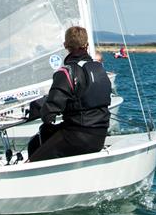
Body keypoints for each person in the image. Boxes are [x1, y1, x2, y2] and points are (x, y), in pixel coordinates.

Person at [27, 26, 111, 163]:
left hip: (77, 136)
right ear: (87, 45)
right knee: (47, 135)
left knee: (35, 147)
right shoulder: (99, 69)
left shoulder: (66, 72)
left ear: (65, 45)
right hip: (100, 135)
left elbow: (50, 112)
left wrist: (39, 109)